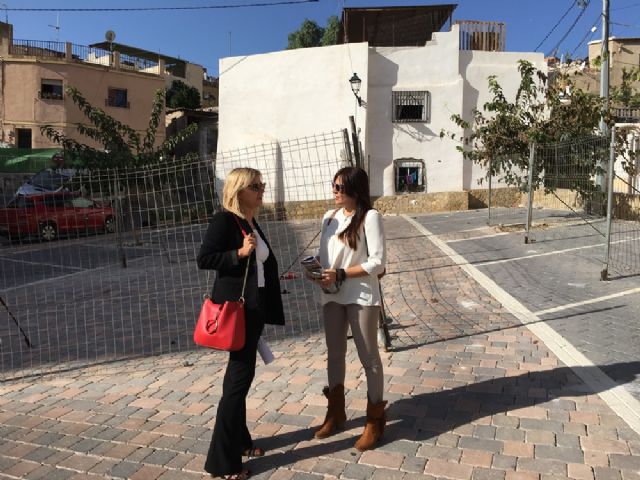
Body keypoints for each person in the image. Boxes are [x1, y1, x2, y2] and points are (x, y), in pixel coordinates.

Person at [197, 167, 285, 480]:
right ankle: (222, 464)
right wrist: (239, 252)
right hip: (238, 312)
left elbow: (261, 265)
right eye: (255, 186)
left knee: (239, 378)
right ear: (239, 191)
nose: (261, 190)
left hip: (253, 311)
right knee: (237, 382)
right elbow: (205, 258)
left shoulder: (250, 221)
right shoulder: (225, 220)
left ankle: (242, 441)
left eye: (262, 185)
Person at [312, 166, 387, 451]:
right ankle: (335, 413)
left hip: (361, 294)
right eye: (333, 185)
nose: (334, 191)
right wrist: (316, 270)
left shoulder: (370, 217)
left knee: (369, 358)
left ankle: (375, 421)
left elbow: (378, 263)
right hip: (332, 293)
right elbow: (325, 255)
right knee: (334, 354)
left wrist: (341, 273)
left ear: (355, 190)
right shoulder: (329, 217)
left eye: (340, 187)